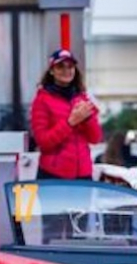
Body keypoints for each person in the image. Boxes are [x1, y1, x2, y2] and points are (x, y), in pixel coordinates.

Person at [30, 49, 103, 180]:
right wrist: (70, 122)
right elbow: (43, 141)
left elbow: (95, 138)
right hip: (53, 174)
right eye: (60, 66)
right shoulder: (41, 100)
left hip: (83, 174)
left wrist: (88, 118)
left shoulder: (83, 98)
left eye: (70, 66)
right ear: (52, 71)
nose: (66, 70)